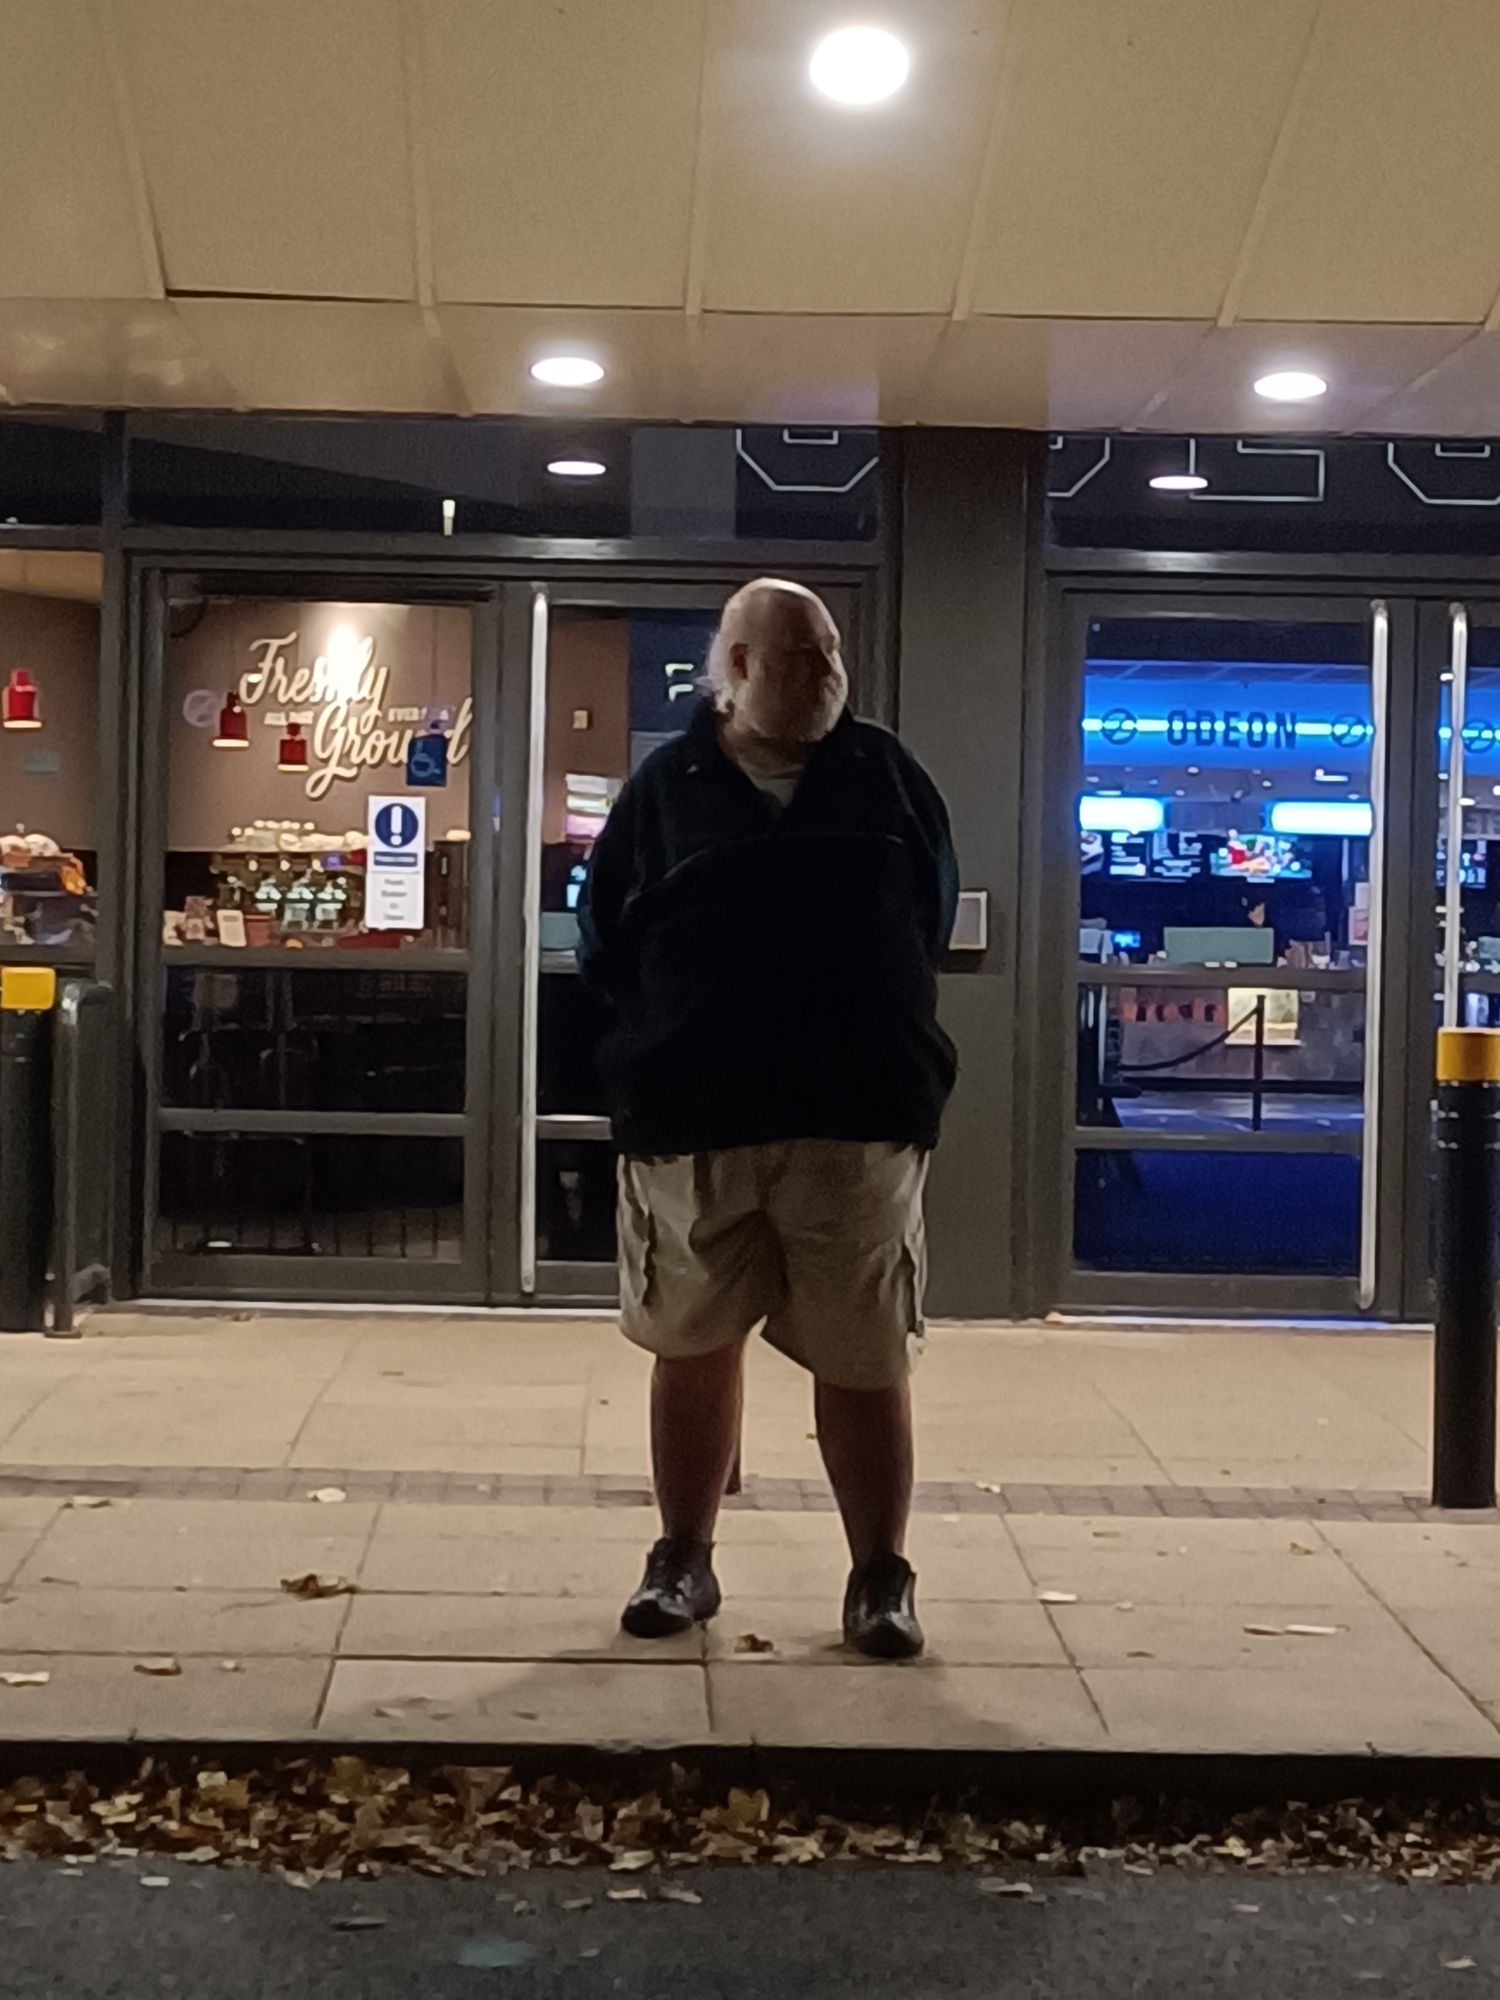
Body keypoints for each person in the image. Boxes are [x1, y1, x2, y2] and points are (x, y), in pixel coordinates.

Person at [577, 578, 958, 1659]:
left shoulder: (886, 775)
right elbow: (603, 942)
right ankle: (682, 1558)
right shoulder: (667, 789)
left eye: (832, 652)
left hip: (855, 1116)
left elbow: (927, 914)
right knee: (691, 1343)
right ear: (737, 665)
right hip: (696, 1119)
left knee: (866, 1355)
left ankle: (879, 1576)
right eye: (803, 654)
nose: (827, 672)